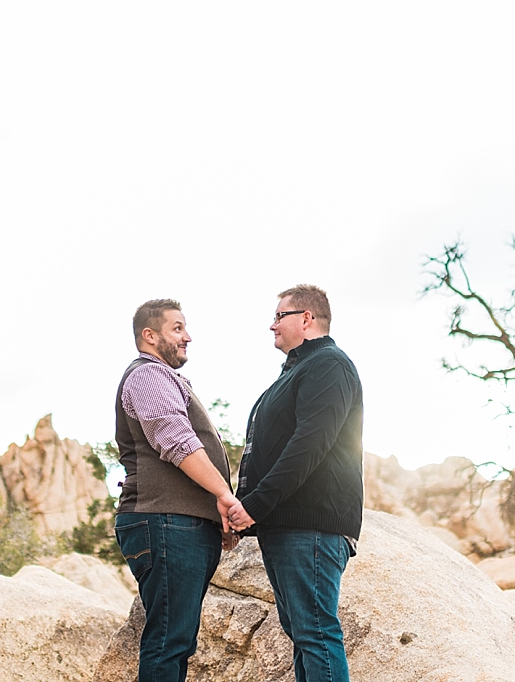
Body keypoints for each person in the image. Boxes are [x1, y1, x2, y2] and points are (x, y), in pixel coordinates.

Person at [227, 284, 364, 682]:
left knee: (316, 634)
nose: (271, 326)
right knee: (305, 635)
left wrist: (254, 505)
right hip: (288, 526)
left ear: (306, 319)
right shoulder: (299, 370)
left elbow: (309, 444)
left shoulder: (329, 365)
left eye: (278, 316)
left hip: (312, 524)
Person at [114, 298, 239, 682]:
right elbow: (176, 440)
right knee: (170, 641)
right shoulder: (149, 376)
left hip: (177, 524)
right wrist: (224, 496)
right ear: (149, 336)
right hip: (165, 522)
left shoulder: (164, 378)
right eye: (177, 328)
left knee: (176, 640)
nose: (188, 337)